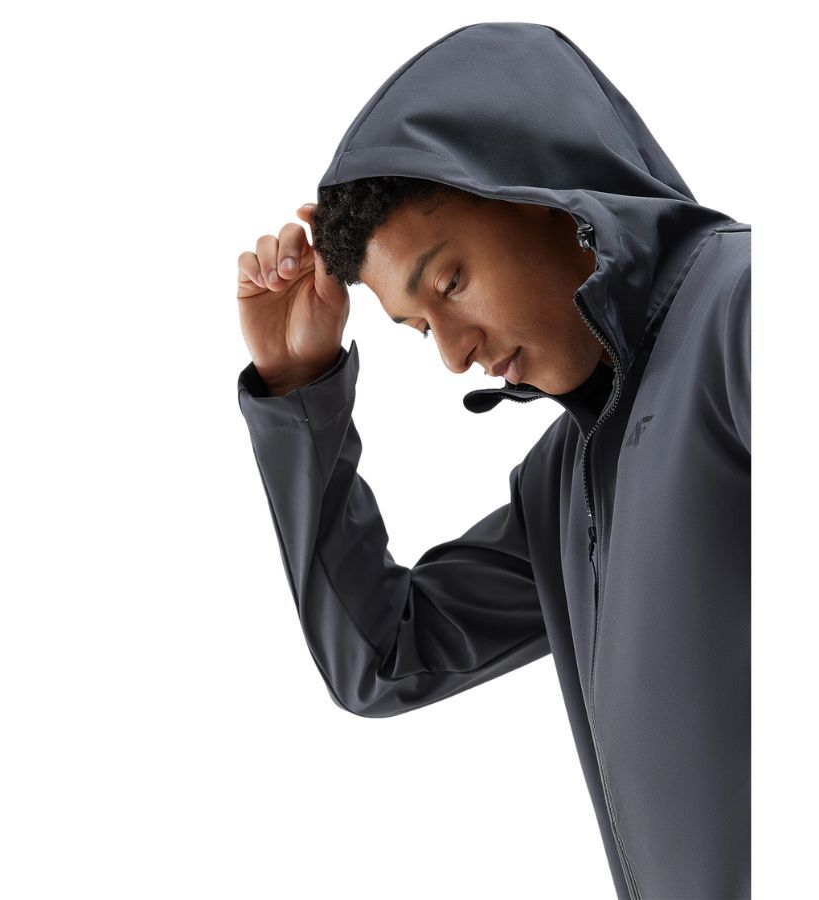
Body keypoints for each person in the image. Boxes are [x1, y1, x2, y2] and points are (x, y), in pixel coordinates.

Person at [234, 22, 750, 900]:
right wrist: (298, 386)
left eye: (450, 283)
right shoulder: (566, 483)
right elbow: (386, 657)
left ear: (552, 196)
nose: (452, 352)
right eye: (418, 329)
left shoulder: (743, 308)